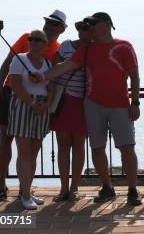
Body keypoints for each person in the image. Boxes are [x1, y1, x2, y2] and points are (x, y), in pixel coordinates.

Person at [35, 12, 142, 206]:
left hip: (119, 104)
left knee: (127, 147)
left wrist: (135, 103)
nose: (90, 27)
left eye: (94, 23)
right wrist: (42, 77)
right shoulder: (86, 50)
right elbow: (65, 66)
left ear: (107, 25)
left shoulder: (123, 46)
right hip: (93, 105)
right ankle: (107, 188)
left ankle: (133, 190)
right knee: (97, 148)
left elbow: (134, 76)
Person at [0, 10, 67, 200]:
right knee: (6, 139)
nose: (49, 25)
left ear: (62, 29)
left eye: (54, 23)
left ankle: (24, 188)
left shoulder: (57, 49)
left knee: (32, 146)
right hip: (12, 94)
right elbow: (8, 62)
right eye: (48, 21)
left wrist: (46, 103)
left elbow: (54, 78)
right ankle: (1, 182)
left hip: (38, 101)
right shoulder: (28, 37)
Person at [7, 29, 53, 210]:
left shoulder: (48, 63)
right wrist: (32, 103)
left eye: (37, 39)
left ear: (44, 44)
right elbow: (16, 85)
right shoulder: (19, 60)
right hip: (24, 105)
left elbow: (52, 88)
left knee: (33, 152)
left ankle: (27, 190)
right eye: (31, 39)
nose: (33, 42)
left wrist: (46, 104)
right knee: (24, 151)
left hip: (41, 108)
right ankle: (24, 194)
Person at [49, 20, 92, 202]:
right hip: (63, 100)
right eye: (81, 28)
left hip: (82, 102)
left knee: (79, 145)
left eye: (87, 29)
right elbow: (54, 69)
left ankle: (74, 187)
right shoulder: (66, 46)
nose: (83, 32)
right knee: (63, 145)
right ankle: (64, 188)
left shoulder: (93, 49)